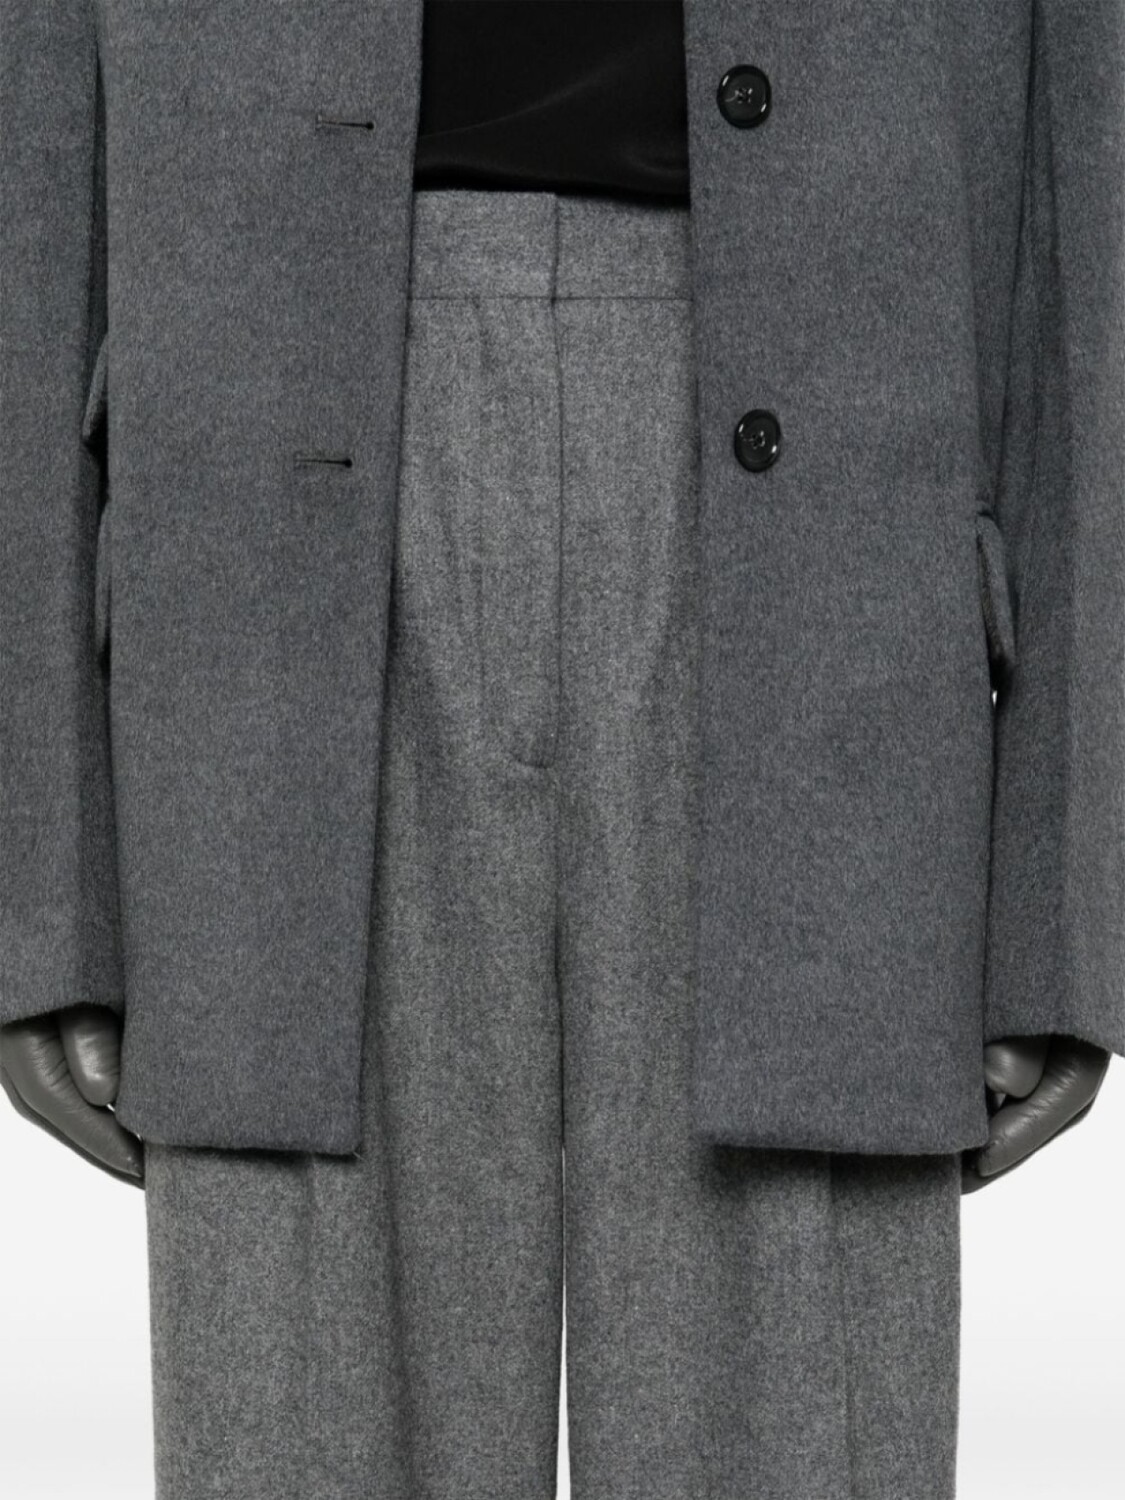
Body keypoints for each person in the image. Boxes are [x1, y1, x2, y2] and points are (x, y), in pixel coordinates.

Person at [1, 4, 1120, 1497]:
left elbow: (1090, 161)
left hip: (842, 509)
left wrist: (1063, 883)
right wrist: (42, 864)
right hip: (254, 498)